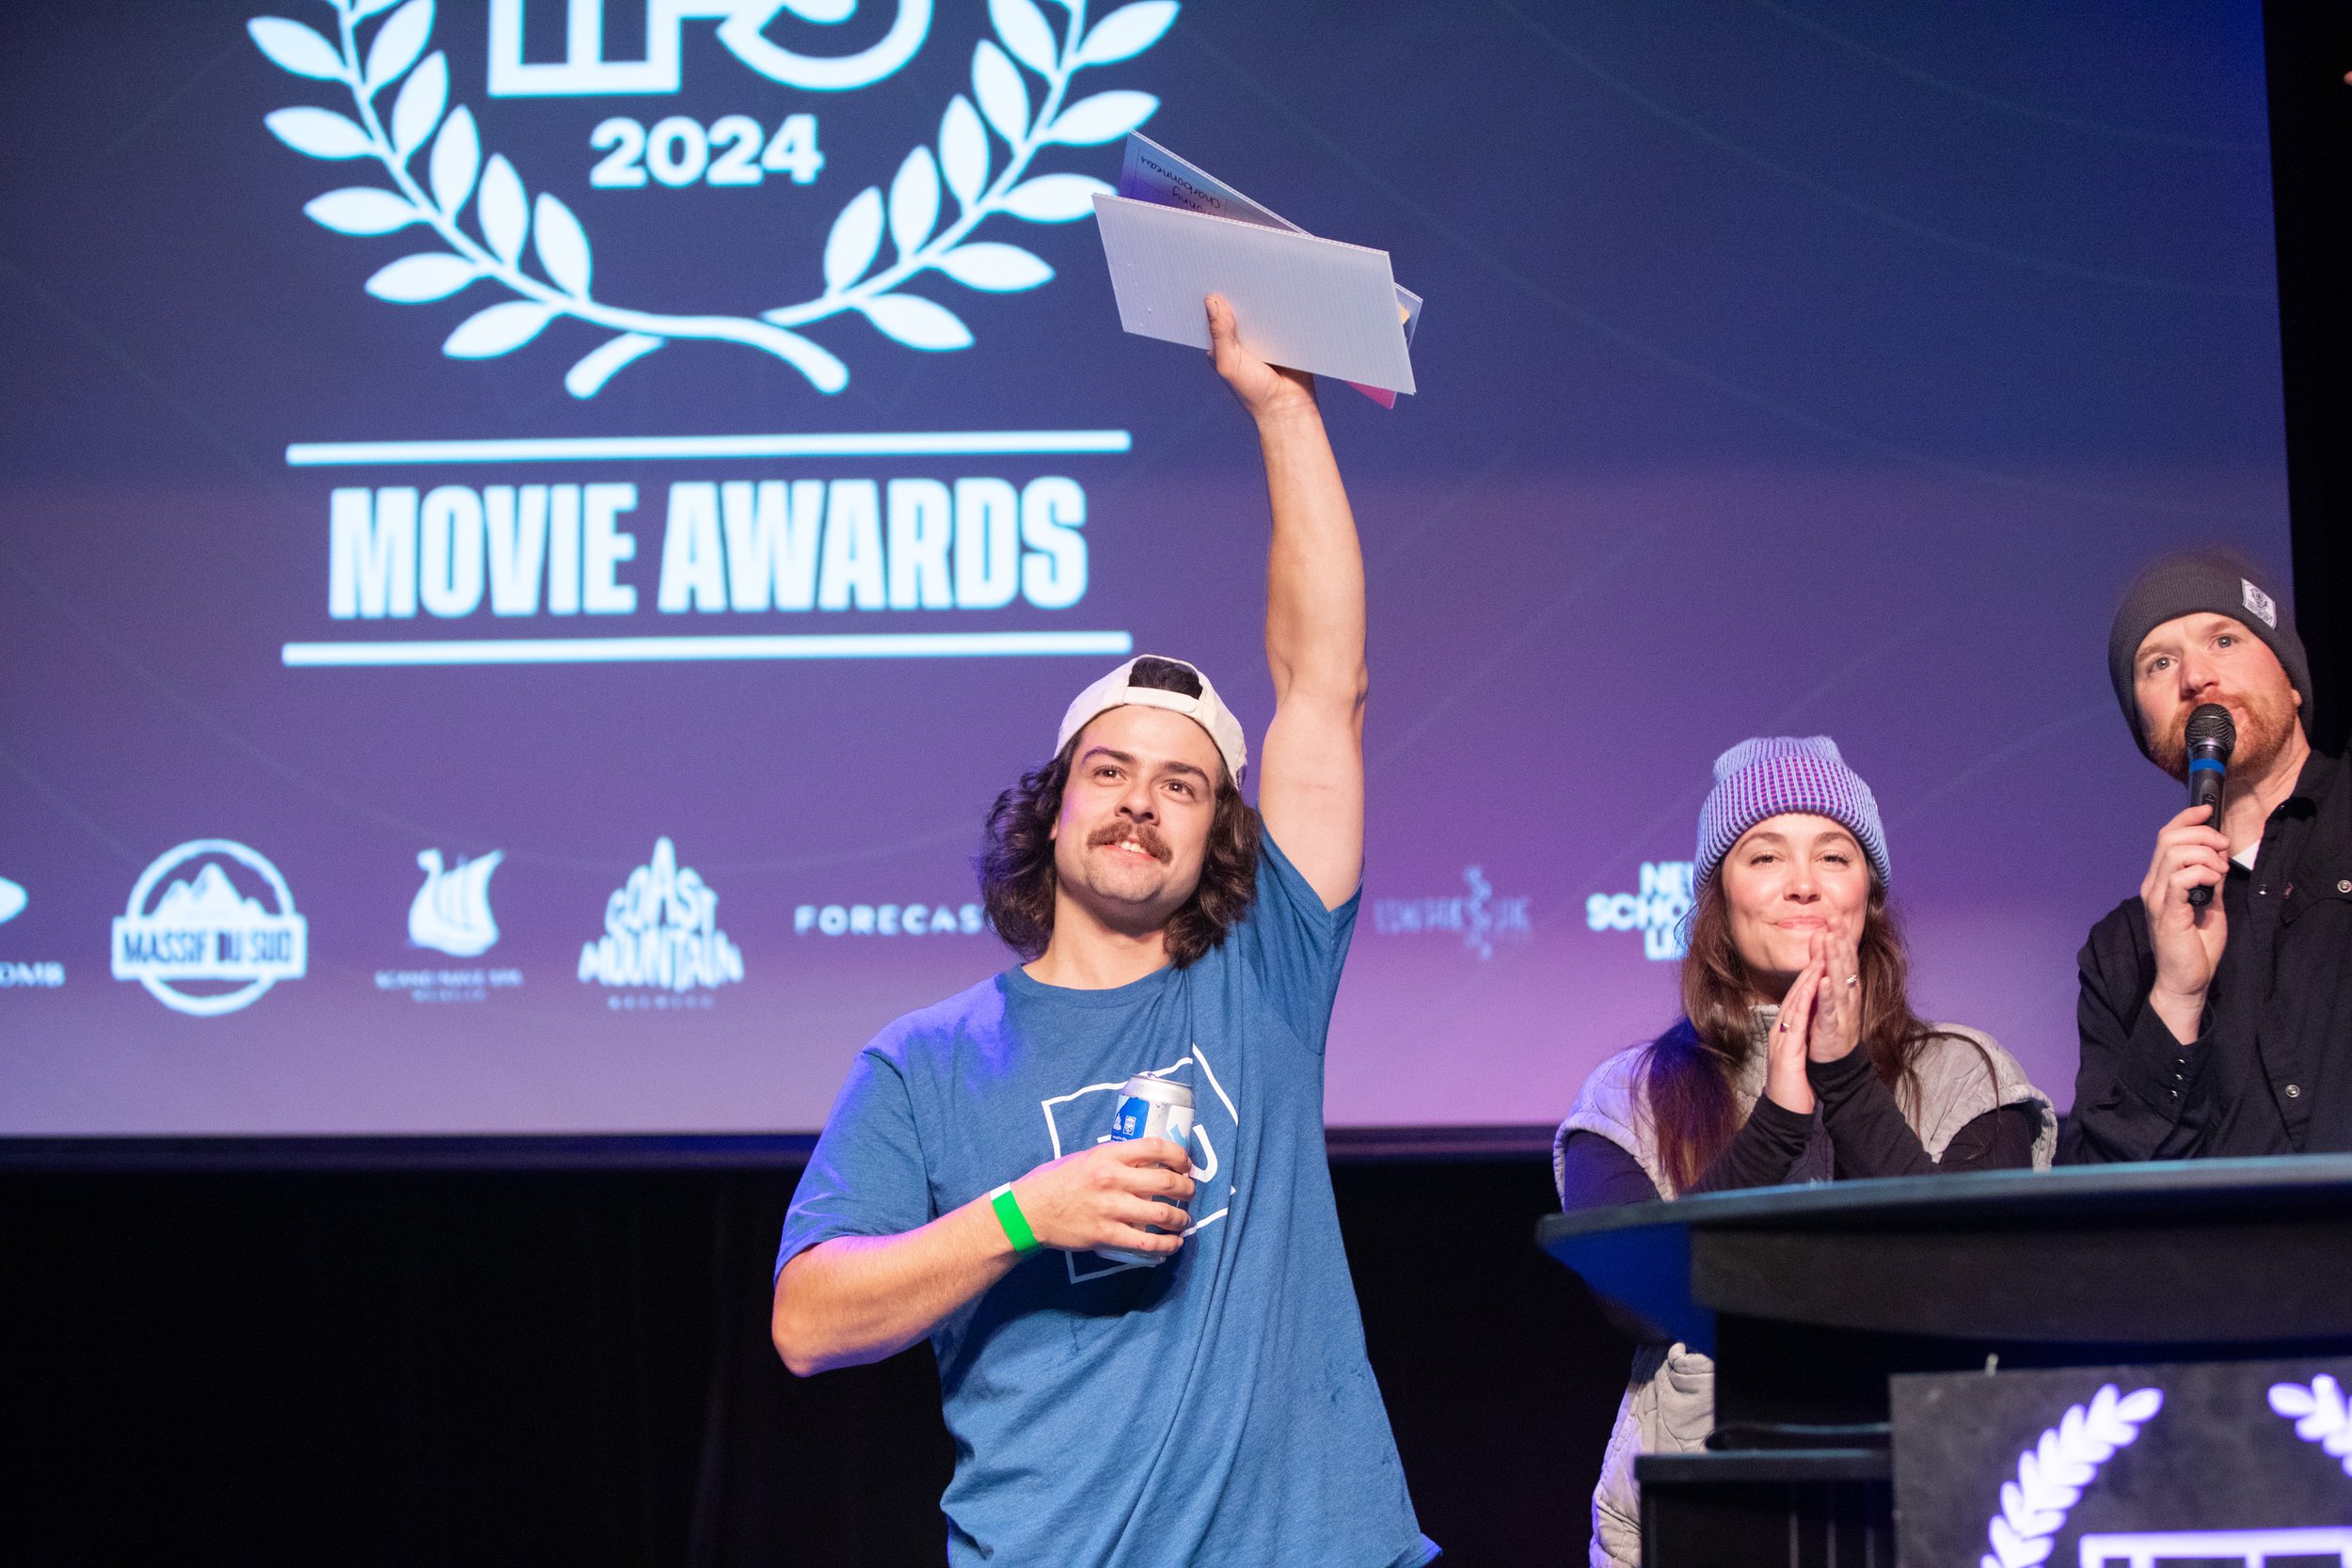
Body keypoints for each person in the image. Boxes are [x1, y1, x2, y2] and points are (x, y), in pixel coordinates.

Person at [770, 297, 1437, 1568]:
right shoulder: (927, 1060)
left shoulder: (1267, 979)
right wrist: (1024, 1213)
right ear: (1055, 805)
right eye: (1111, 769)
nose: (1141, 798)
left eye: (1183, 784)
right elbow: (807, 1319)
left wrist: (1280, 402)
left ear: (1217, 834)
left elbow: (1322, 682)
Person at [1552, 736, 2053, 1568]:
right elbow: (1639, 1299)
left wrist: (1849, 1081)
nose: (1803, 882)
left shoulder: (1970, 1075)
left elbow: (1963, 1281)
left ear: (1870, 895)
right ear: (1719, 898)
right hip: (1698, 1512)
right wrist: (1779, 1121)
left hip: (1929, 1506)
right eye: (1764, 854)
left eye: (1834, 853)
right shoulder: (1627, 1097)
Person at [2073, 547, 2352, 1159]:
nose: (2195, 677)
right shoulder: (2123, 952)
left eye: (2224, 640)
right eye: (2159, 662)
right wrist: (2175, 994)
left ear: (2291, 677)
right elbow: (2108, 1189)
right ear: (2145, 730)